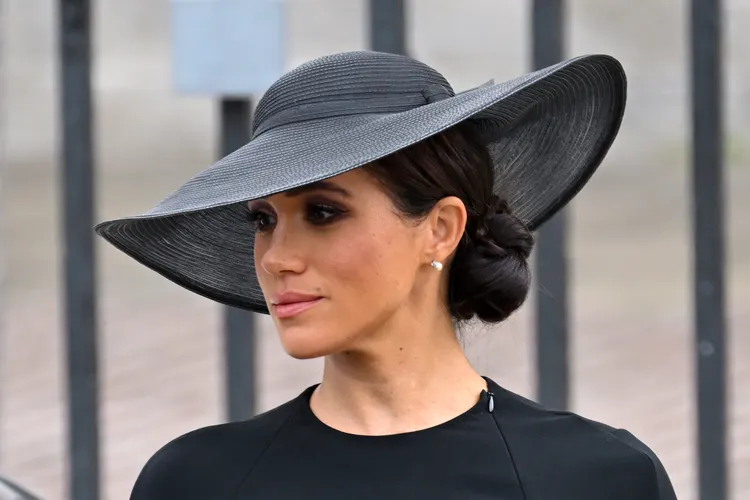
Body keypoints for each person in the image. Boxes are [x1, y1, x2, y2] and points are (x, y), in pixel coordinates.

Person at [96, 51, 678, 499]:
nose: (275, 258)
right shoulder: (196, 482)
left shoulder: (596, 479)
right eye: (263, 220)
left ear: (440, 229)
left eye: (323, 212)